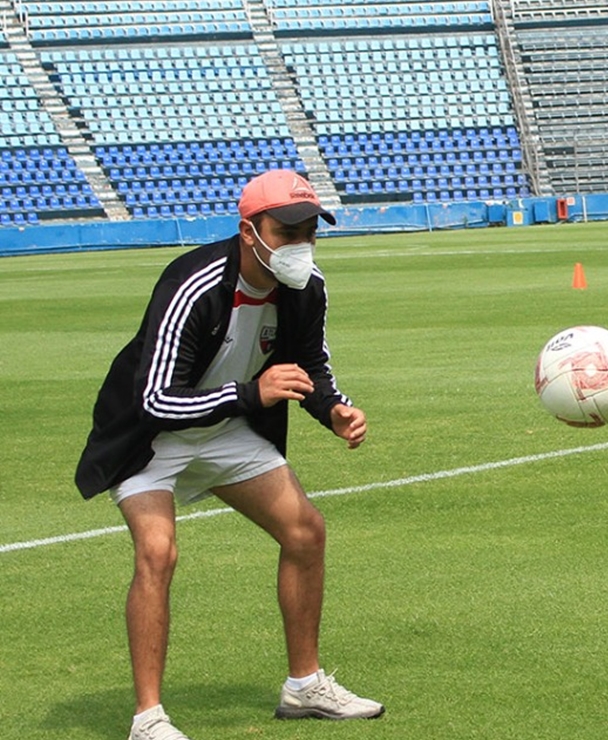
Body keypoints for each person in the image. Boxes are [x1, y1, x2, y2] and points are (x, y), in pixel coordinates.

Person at [75, 169, 384, 740]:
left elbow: (310, 365)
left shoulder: (307, 286)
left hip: (224, 429)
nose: (301, 243)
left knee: (305, 532)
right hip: (150, 437)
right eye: (287, 231)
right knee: (159, 551)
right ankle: (148, 720)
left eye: (310, 230)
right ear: (249, 232)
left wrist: (334, 409)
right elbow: (156, 398)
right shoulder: (192, 284)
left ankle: (304, 686)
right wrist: (250, 394)